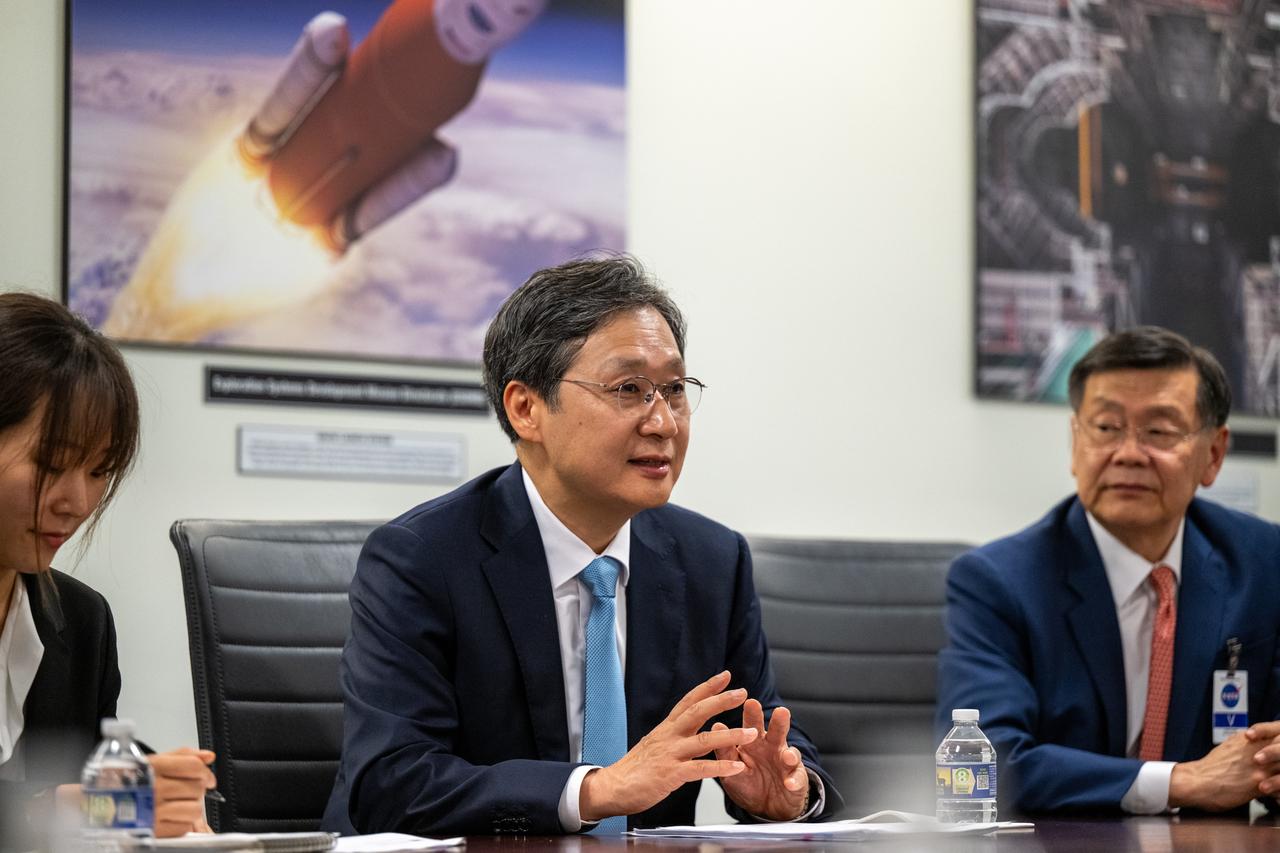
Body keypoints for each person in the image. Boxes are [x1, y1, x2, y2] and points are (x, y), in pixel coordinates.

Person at [322, 256, 842, 836]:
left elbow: (766, 729)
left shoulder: (712, 561)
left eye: (673, 390)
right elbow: (390, 783)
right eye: (629, 389)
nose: (664, 422)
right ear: (526, 409)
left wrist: (789, 794)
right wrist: (596, 790)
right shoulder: (421, 559)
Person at [937, 325, 1280, 815]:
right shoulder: (997, 581)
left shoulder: (1263, 561)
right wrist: (1181, 782)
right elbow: (986, 764)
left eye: (1158, 431)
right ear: (1075, 442)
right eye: (1106, 427)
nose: (1128, 454)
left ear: (1214, 454)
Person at [0, 292, 217, 850]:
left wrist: (162, 787)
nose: (76, 501)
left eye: (100, 471)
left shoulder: (80, 618)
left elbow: (93, 775)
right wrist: (50, 812)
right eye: (52, 464)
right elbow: (66, 806)